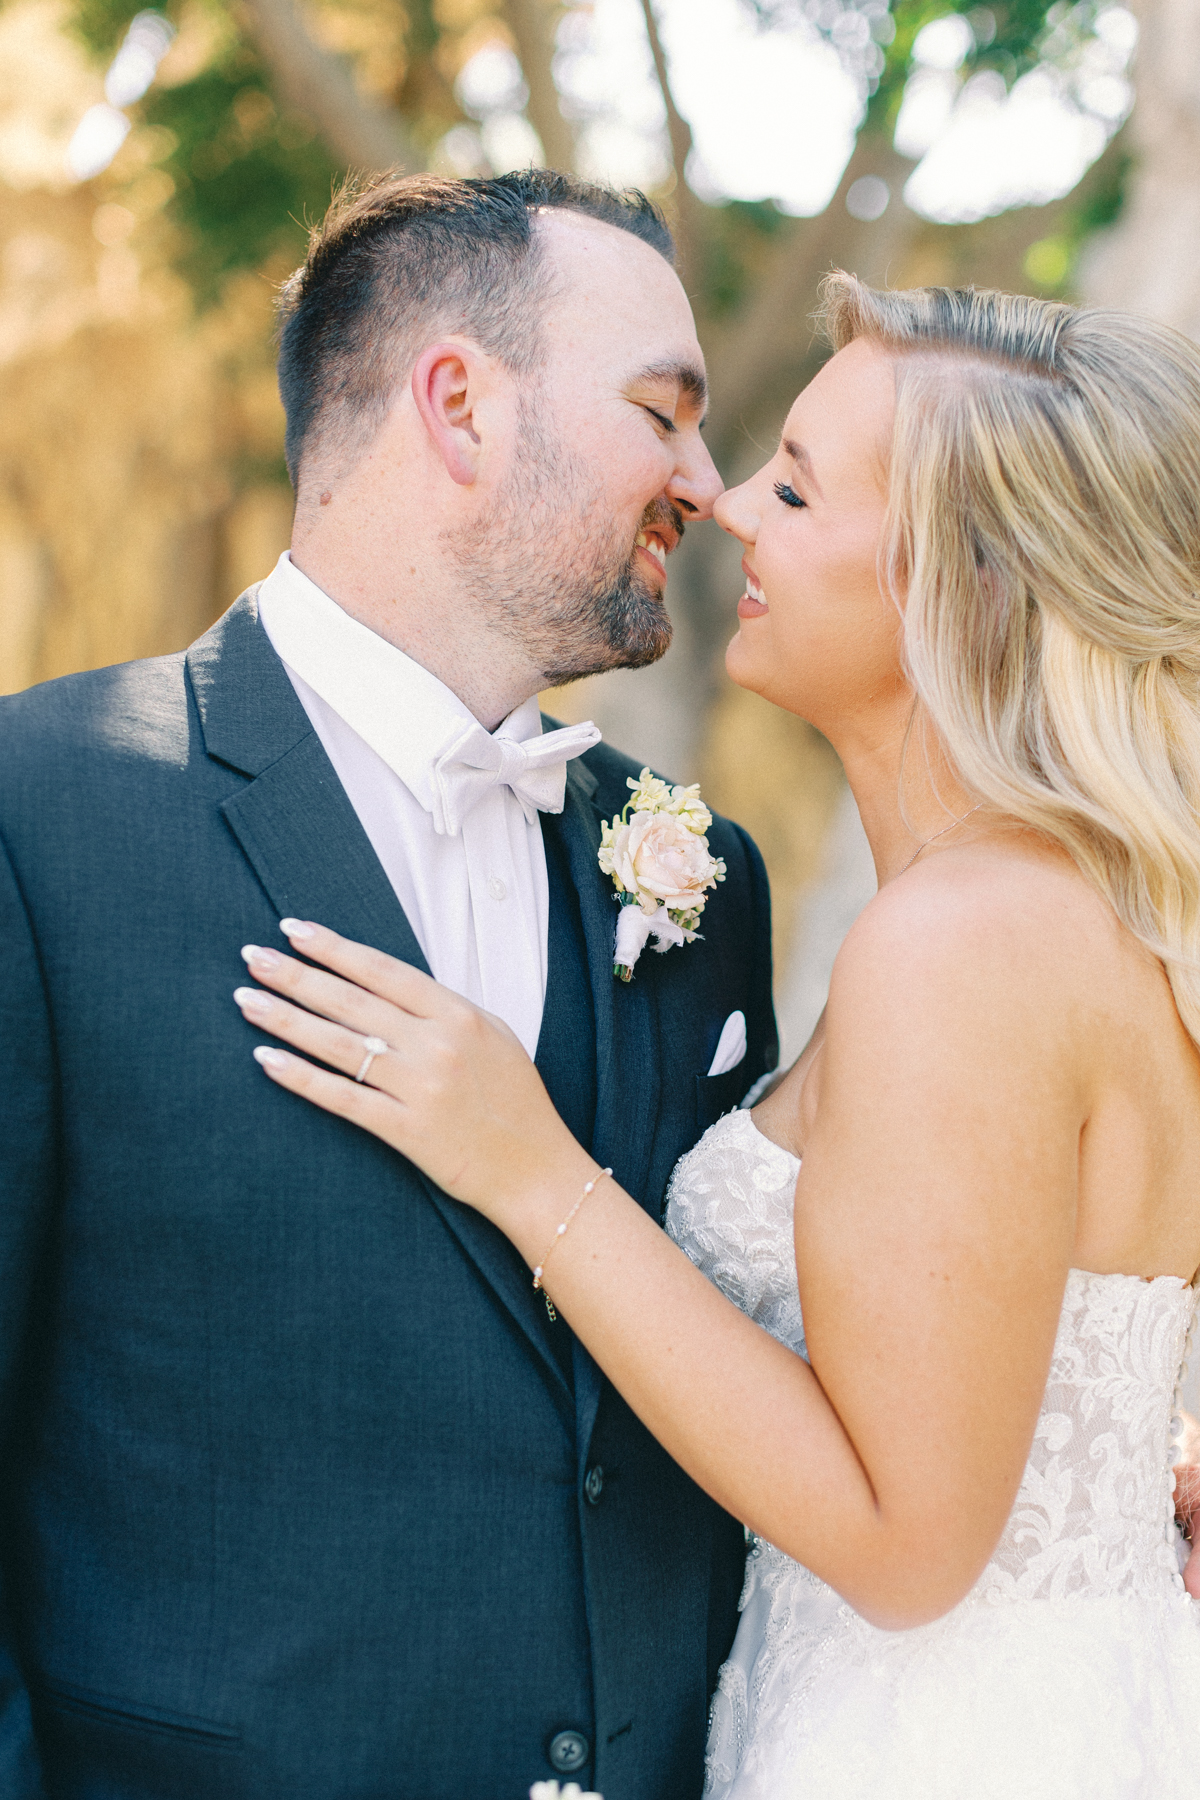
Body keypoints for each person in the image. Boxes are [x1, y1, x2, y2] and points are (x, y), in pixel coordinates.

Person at [237, 275, 1200, 1798]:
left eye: (799, 490)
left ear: (969, 586)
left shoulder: (961, 945)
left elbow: (904, 1544)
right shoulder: (1082, 912)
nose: (732, 503)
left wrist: (532, 1170)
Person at [0, 172, 777, 1799]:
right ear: (460, 406)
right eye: (662, 414)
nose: (707, 484)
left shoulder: (699, 878)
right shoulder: (38, 815)